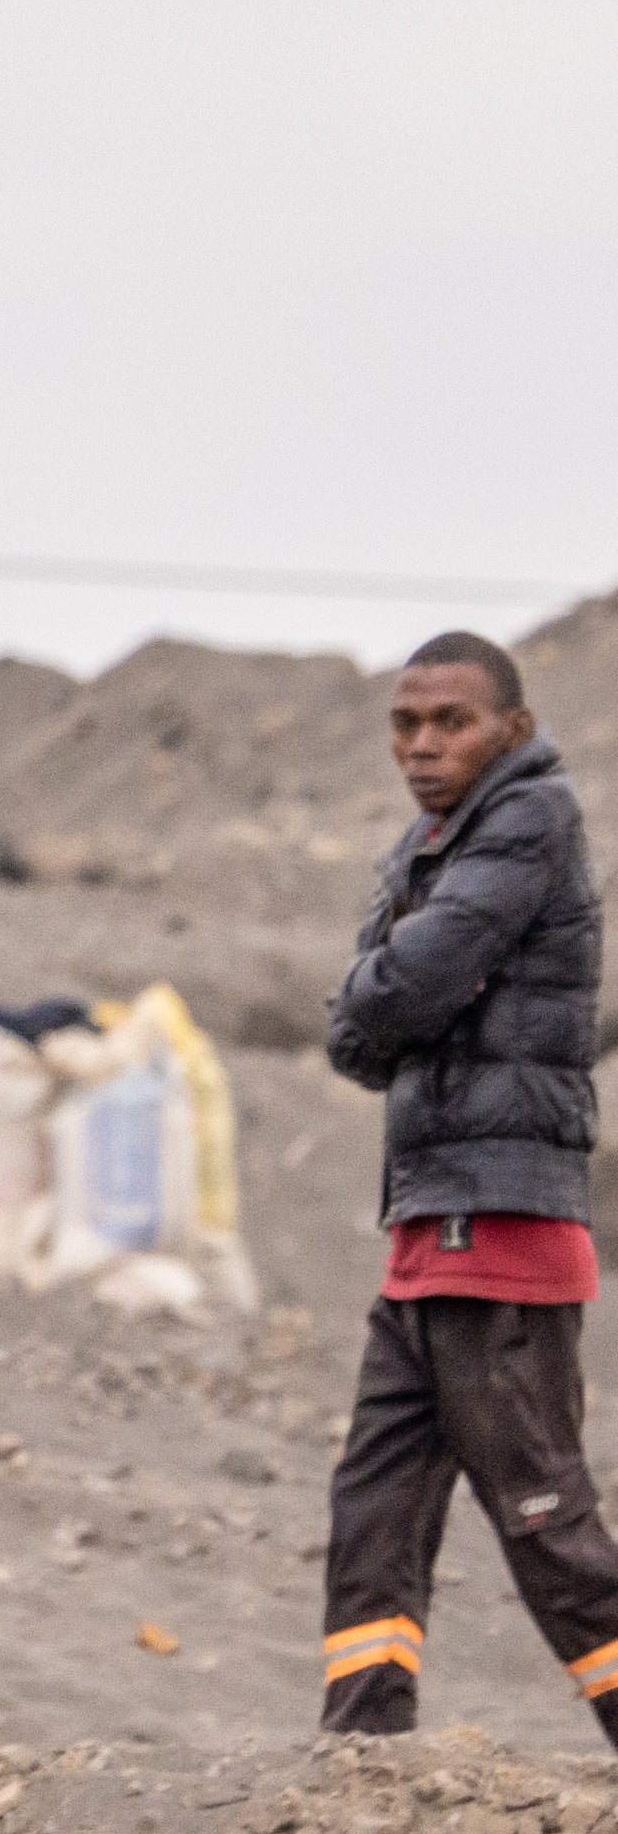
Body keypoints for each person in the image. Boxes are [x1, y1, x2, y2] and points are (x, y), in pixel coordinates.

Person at [319, 631, 617, 1744]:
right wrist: (379, 999)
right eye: (407, 721)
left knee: (547, 1526)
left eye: (452, 721)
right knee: (374, 1506)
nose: (424, 742)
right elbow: (368, 1022)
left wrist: (380, 997)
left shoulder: (530, 818)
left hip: (501, 1229)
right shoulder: (429, 841)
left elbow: (398, 990)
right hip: (428, 1229)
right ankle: (364, 1757)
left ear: (515, 731)